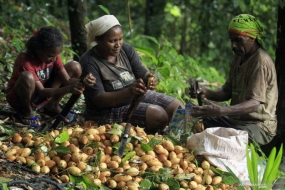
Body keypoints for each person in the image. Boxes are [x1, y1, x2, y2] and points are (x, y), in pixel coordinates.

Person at [80, 15, 184, 134]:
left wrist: (150, 78)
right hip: (106, 111)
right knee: (159, 116)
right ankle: (152, 133)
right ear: (98, 40)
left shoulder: (126, 49)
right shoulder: (89, 62)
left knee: (178, 108)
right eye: (112, 41)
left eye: (120, 39)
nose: (118, 44)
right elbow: (99, 99)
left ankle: (179, 137)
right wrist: (129, 91)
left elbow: (142, 74)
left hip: (133, 97)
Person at [190, 14, 278, 145]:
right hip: (236, 120)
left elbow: (254, 103)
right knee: (198, 123)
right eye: (232, 41)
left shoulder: (260, 62)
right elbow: (227, 91)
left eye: (238, 40)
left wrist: (220, 111)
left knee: (225, 141)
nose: (233, 46)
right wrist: (207, 93)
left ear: (252, 38)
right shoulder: (239, 56)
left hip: (258, 126)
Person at [6, 26, 96, 128]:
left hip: (41, 94)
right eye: (50, 56)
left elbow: (66, 80)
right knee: (27, 77)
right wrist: (67, 89)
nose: (53, 59)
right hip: (22, 97)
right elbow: (42, 91)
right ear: (38, 49)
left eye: (55, 56)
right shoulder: (25, 61)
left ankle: (52, 105)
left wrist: (83, 81)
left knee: (75, 66)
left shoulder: (54, 56)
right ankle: (27, 111)